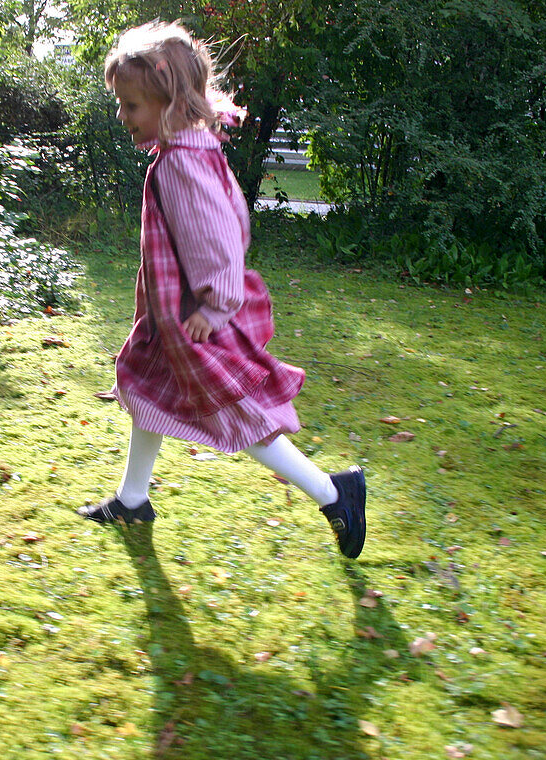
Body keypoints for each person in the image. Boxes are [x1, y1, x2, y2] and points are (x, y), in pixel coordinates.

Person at [77, 20, 367, 559]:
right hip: (172, 317)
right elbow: (234, 217)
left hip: (196, 322)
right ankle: (133, 499)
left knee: (239, 417)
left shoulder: (181, 166)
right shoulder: (194, 149)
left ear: (170, 103)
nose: (123, 115)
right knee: (145, 394)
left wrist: (215, 304)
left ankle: (336, 493)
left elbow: (220, 239)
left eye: (131, 105)